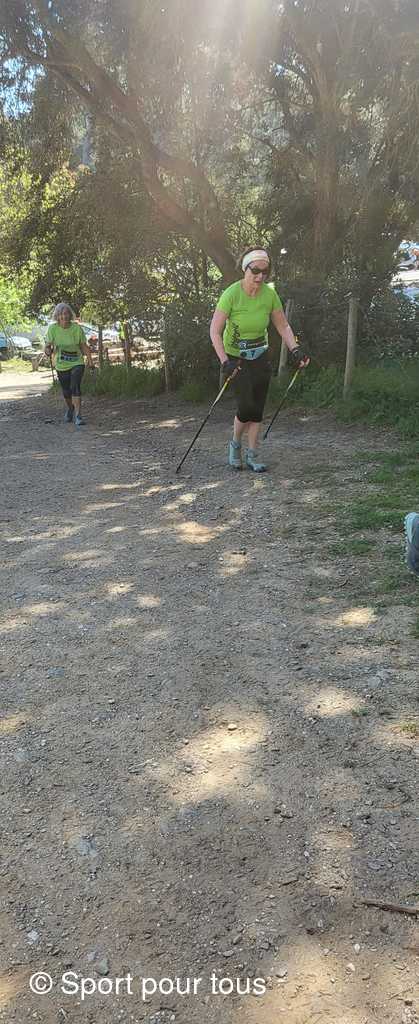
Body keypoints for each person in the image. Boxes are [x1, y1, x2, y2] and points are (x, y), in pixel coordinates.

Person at [210, 246, 309, 471]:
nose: (260, 276)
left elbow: (283, 326)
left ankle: (253, 455)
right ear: (245, 269)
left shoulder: (269, 294)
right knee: (246, 406)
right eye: (255, 270)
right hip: (236, 359)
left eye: (265, 272)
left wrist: (295, 349)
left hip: (260, 356)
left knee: (257, 409)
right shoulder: (231, 294)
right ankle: (235, 444)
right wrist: (225, 361)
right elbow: (214, 331)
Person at [45, 303, 94, 426]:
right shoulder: (53, 329)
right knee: (66, 390)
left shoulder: (76, 328)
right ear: (57, 316)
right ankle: (70, 408)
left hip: (77, 362)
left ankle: (78, 416)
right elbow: (47, 346)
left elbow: (84, 346)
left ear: (70, 315)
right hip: (61, 364)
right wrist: (48, 350)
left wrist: (90, 361)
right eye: (61, 314)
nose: (64, 316)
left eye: (66, 313)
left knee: (75, 386)